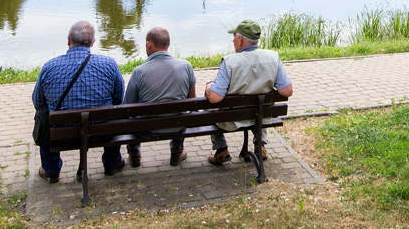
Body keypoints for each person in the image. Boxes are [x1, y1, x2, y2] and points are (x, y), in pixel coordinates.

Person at [33, 21, 125, 183]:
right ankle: (112, 163)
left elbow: (38, 102)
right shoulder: (109, 64)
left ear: (68, 40)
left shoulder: (49, 67)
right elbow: (118, 99)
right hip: (101, 133)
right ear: (93, 43)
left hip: (61, 135)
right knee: (114, 116)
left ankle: (51, 169)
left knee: (43, 116)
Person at [204, 20, 293, 165]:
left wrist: (209, 86)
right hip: (260, 117)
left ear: (240, 40)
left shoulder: (229, 62)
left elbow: (214, 98)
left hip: (231, 120)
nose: (233, 41)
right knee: (261, 105)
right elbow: (287, 91)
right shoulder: (273, 58)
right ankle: (260, 145)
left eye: (233, 37)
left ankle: (221, 149)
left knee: (211, 109)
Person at [123, 27, 196, 168]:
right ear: (168, 44)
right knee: (180, 113)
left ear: (148, 45)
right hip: (178, 126)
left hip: (145, 129)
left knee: (130, 118)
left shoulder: (139, 71)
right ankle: (176, 153)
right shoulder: (186, 66)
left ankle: (135, 155)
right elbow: (192, 100)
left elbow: (128, 106)